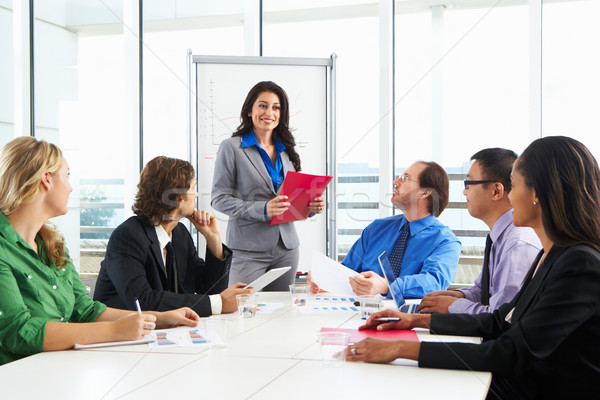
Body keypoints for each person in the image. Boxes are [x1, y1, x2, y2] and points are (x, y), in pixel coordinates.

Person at [347, 136, 600, 399]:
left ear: (536, 193)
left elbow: (511, 351)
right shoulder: (552, 255)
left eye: (513, 186)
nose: (509, 197)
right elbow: (500, 321)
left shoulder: (578, 263)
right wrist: (415, 321)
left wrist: (401, 349)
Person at [0, 137, 199, 365]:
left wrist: (159, 319)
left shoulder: (52, 244)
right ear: (46, 179)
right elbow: (18, 331)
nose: (71, 187)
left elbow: (85, 310)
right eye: (67, 175)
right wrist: (114, 331)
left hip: (57, 368)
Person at [95, 156, 252, 317]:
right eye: (193, 188)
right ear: (179, 199)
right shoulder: (128, 237)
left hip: (167, 331)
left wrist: (214, 239)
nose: (196, 194)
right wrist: (218, 303)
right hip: (123, 335)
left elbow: (210, 289)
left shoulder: (180, 233)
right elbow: (142, 301)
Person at [211, 81, 325, 291]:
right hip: (248, 250)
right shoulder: (232, 147)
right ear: (249, 111)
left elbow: (289, 200)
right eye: (262, 105)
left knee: (281, 313)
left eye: (276, 107)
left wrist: (310, 207)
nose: (269, 112)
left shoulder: (286, 150)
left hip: (287, 248)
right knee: (241, 309)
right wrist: (263, 209)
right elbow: (219, 199)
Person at [310, 161, 461, 299]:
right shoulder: (376, 229)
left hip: (408, 320)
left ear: (425, 192)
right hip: (358, 312)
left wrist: (387, 286)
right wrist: (325, 281)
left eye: (405, 178)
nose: (396, 182)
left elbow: (433, 282)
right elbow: (347, 272)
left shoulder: (446, 242)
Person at [418, 148, 541, 314]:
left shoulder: (517, 244)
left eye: (469, 184)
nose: (464, 191)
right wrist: (457, 296)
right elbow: (483, 291)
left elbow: (499, 317)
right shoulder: (500, 235)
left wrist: (451, 306)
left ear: (496, 191)